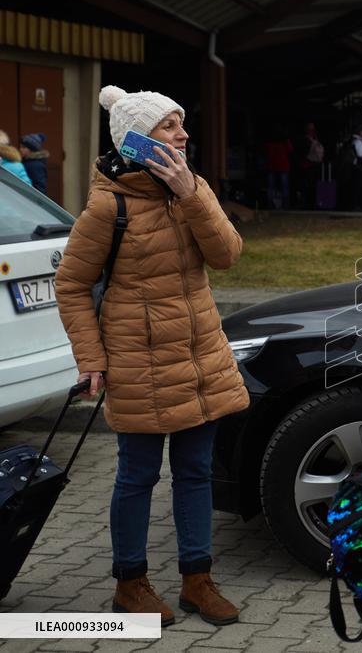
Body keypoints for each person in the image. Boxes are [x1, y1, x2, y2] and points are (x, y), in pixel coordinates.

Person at [54, 85, 249, 628]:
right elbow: (70, 285)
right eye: (169, 126)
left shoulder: (192, 189)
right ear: (136, 140)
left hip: (200, 357)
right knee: (136, 477)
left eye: (181, 125)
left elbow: (227, 256)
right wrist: (89, 358)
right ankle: (130, 585)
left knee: (194, 473)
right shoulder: (107, 204)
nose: (183, 135)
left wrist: (192, 194)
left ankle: (197, 581)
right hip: (138, 362)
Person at [264, 130, 293, 210]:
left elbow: (266, 152)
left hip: (273, 166)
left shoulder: (270, 142)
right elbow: (290, 150)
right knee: (283, 188)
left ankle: (271, 206)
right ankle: (285, 206)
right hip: (280, 167)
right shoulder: (284, 141)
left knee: (272, 188)